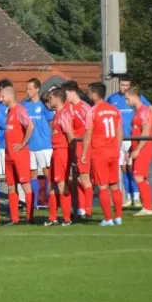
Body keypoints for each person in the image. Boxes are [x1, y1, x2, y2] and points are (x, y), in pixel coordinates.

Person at [107, 74, 152, 207]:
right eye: (123, 85)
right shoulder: (112, 99)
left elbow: (151, 114)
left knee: (136, 172)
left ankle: (138, 198)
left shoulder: (141, 106)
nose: (125, 88)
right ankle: (129, 196)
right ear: (119, 84)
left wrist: (148, 126)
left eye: (127, 85)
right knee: (125, 169)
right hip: (122, 139)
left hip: (136, 140)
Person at [81, 82, 124, 226]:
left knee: (103, 186)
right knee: (114, 186)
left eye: (89, 92)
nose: (88, 94)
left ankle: (107, 219)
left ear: (94, 93)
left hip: (99, 152)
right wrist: (117, 149)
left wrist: (84, 153)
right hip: (113, 151)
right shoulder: (114, 110)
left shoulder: (93, 111)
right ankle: (118, 217)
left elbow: (88, 133)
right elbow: (119, 132)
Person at [1, 86, 35, 225]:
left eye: (2, 96)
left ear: (10, 96)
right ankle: (14, 218)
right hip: (9, 154)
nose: (0, 99)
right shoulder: (9, 111)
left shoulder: (20, 110)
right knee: (11, 186)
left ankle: (29, 217)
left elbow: (30, 126)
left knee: (25, 184)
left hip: (19, 154)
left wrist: (23, 143)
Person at [61, 80, 92, 219]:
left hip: (83, 146)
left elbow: (90, 128)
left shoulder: (85, 107)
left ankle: (88, 209)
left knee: (84, 178)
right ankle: (80, 208)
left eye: (65, 93)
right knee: (73, 178)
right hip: (72, 146)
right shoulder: (68, 108)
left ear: (72, 92)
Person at [22, 78, 54, 211]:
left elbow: (52, 123)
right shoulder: (24, 105)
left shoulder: (44, 105)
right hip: (30, 145)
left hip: (44, 145)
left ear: (37, 89)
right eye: (26, 89)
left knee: (48, 173)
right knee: (32, 174)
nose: (27, 91)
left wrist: (50, 138)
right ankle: (34, 204)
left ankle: (51, 201)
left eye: (30, 88)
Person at [125, 86, 152, 216]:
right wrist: (131, 150)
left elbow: (146, 131)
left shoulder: (144, 111)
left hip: (144, 148)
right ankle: (147, 206)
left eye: (127, 99)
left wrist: (137, 149)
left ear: (134, 96)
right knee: (142, 178)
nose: (126, 102)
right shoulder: (137, 112)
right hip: (138, 148)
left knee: (138, 177)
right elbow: (135, 133)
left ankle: (148, 208)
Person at [45, 89, 73, 226]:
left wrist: (72, 156)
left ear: (57, 98)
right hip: (55, 151)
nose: (49, 101)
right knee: (52, 185)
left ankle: (67, 218)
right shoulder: (57, 114)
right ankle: (52, 217)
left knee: (62, 184)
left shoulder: (64, 114)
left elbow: (70, 136)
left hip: (62, 151)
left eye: (50, 98)